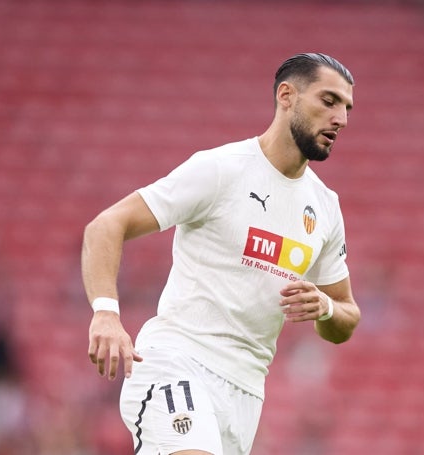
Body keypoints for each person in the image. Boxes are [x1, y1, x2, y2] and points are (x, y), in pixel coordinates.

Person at [82, 52, 361, 455]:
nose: (342, 119)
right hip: (176, 363)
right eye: (329, 101)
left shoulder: (325, 207)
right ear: (287, 96)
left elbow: (346, 315)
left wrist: (325, 308)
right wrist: (106, 312)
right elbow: (106, 225)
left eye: (347, 108)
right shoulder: (220, 170)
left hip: (245, 394)